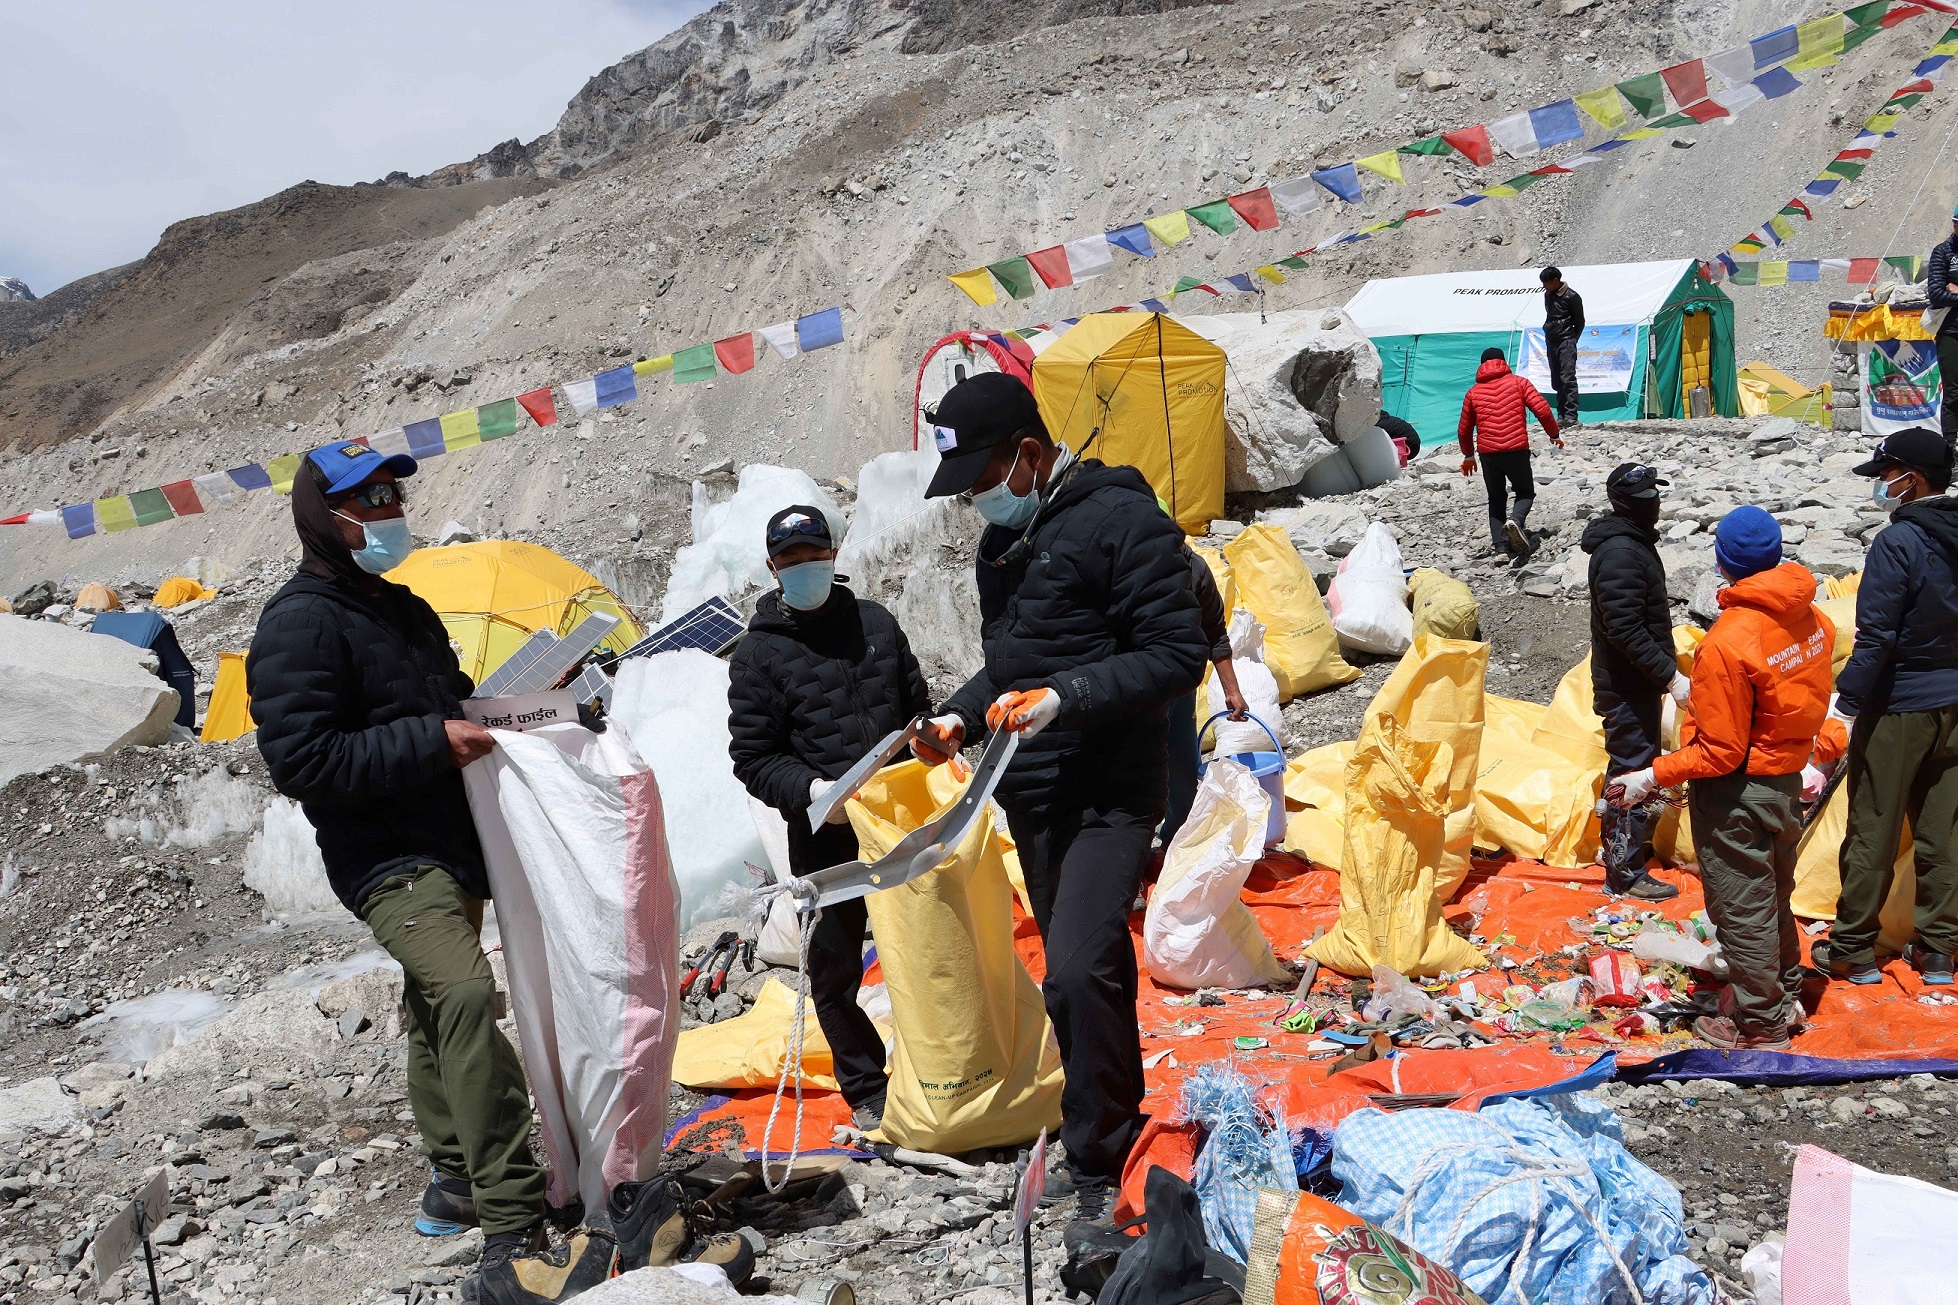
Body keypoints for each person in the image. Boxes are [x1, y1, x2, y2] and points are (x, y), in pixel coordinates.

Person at [246, 442, 552, 1294]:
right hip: (383, 854)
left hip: (450, 840)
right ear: (325, 515)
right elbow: (301, 758)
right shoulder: (296, 622)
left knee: (432, 1007)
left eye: (390, 494)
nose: (386, 511)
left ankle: (454, 1181)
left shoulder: (403, 607)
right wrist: (432, 741)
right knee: (460, 993)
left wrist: (527, 699)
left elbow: (447, 700)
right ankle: (513, 1213)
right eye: (366, 499)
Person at [912, 373, 1206, 1228]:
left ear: (1029, 455)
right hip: (1033, 793)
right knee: (1082, 977)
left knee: (1078, 968)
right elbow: (1008, 665)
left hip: (1110, 791)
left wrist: (1065, 697)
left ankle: (1100, 1162)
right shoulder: (1001, 547)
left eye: (980, 481)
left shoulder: (1124, 522)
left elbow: (1174, 653)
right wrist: (961, 717)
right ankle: (1106, 1126)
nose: (976, 502)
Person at [726, 504, 932, 1129]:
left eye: (815, 555)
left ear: (834, 556)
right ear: (773, 568)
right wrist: (814, 791)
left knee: (926, 949)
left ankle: (938, 1068)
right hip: (825, 833)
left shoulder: (876, 623)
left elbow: (917, 708)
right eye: (792, 560)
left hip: (900, 821)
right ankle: (867, 1087)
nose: (805, 567)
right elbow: (754, 758)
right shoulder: (757, 655)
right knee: (835, 967)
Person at [1613, 508, 1834, 1049]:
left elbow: (1720, 751)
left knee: (1742, 905)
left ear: (1723, 562)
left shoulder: (1729, 641)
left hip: (1738, 793)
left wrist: (1649, 776)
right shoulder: (1813, 620)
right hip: (1785, 779)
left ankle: (1760, 1024)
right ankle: (1784, 993)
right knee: (1774, 893)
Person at [1815, 428, 1958, 985]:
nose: (1881, 486)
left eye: (1885, 475)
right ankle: (1940, 950)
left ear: (1912, 479)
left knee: (1873, 827)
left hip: (1901, 706)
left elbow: (1876, 637)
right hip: (1954, 706)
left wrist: (1845, 706)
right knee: (1942, 831)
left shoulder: (1899, 543)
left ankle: (1853, 949)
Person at [1583, 462, 1689, 901]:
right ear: (1622, 502)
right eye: (1645, 497)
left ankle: (1625, 857)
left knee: (1635, 766)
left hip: (1637, 682)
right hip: (1626, 687)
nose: (1654, 503)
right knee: (1630, 770)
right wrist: (1670, 676)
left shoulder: (1634, 543)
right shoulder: (1622, 553)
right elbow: (1624, 628)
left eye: (1655, 494)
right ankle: (1623, 873)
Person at [1163, 539, 1248, 846]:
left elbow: (1215, 634)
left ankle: (1176, 842)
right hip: (1134, 693)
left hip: (1180, 690)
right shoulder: (1121, 570)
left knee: (1183, 777)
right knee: (1132, 782)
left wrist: (1232, 691)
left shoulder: (1194, 570)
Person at [1458, 346, 1563, 559]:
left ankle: (1500, 548)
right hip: (1517, 449)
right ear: (1503, 361)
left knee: (1496, 498)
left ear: (1481, 365)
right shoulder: (1519, 383)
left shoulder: (1473, 393)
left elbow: (1464, 429)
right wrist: (1554, 434)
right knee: (1524, 491)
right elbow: (1542, 409)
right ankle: (1515, 520)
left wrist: (1468, 455)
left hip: (1488, 454)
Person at [1927, 206, 1958, 444]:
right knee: (1954, 392)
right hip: (1951, 331)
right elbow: (1936, 293)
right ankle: (1950, 448)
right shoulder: (1943, 252)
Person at [1541, 265, 1585, 428]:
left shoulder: (1572, 296)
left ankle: (1571, 415)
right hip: (1551, 341)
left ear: (1555, 280)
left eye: (1546, 283)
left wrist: (1572, 339)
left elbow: (1580, 321)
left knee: (1568, 377)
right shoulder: (1548, 295)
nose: (1544, 286)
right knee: (1557, 378)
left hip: (1566, 340)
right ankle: (1561, 415)